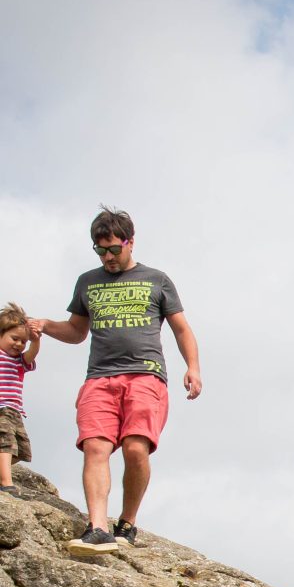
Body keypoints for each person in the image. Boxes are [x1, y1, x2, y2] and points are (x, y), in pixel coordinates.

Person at [31, 208, 202, 556]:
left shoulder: (157, 279)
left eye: (114, 249)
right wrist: (46, 325)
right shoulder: (87, 282)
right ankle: (97, 527)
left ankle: (126, 522)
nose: (108, 257)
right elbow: (78, 332)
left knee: (136, 450)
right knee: (95, 448)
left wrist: (193, 368)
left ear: (130, 242)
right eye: (100, 250)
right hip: (99, 378)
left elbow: (181, 328)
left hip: (146, 375)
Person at [0, 303, 41, 495]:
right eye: (14, 339)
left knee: (21, 451)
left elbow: (31, 354)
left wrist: (35, 341)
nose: (18, 344)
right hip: (1, 409)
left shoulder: (19, 361)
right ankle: (6, 483)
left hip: (15, 411)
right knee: (5, 443)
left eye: (22, 342)